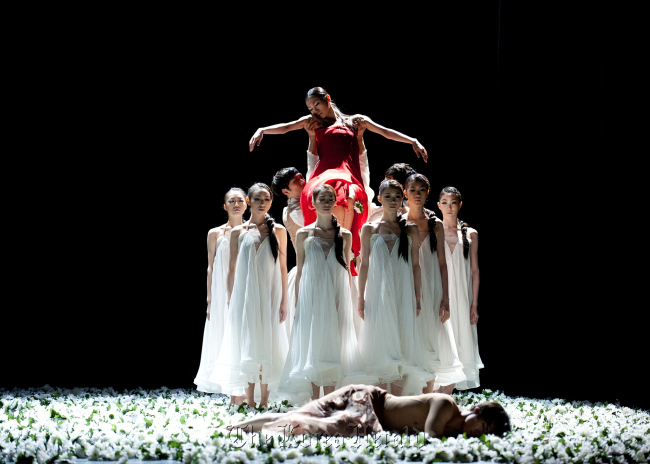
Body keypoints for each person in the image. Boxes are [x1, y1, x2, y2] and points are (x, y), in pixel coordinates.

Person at [248, 87, 428, 274]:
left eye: (316, 104)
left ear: (327, 98)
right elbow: (286, 127)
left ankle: (348, 251)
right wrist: (262, 130)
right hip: (324, 173)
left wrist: (413, 140)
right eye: (310, 108)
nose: (314, 111)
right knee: (323, 197)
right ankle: (326, 251)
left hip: (349, 173)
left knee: (352, 199)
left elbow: (386, 132)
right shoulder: (314, 123)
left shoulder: (355, 121)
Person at [278, 184, 376, 404]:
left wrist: (349, 302)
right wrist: (297, 305)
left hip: (335, 295)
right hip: (312, 298)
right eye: (321, 199)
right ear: (313, 203)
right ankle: (314, 402)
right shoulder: (304, 234)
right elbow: (301, 270)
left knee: (334, 342)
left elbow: (345, 271)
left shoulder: (345, 235)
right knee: (314, 342)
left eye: (330, 199)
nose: (326, 203)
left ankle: (330, 401)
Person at [209, 183, 289, 408]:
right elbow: (231, 269)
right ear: (249, 202)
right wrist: (230, 298)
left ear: (271, 202)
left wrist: (284, 300)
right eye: (257, 199)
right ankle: (250, 400)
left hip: (270, 295)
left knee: (267, 341)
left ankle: (264, 400)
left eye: (266, 199)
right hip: (245, 297)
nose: (262, 203)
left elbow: (283, 267)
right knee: (247, 343)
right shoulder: (239, 232)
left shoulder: (279, 231)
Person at [357, 180, 434, 396]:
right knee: (381, 341)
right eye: (388, 196)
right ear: (380, 199)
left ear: (402, 200)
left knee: (402, 341)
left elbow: (416, 266)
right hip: (379, 293)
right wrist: (360, 298)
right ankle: (382, 400)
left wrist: (417, 298)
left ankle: (398, 401)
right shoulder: (370, 229)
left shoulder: (409, 229)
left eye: (397, 196)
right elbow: (364, 265)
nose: (393, 201)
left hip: (403, 291)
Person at [226, 384, 511, 438]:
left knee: (299, 421)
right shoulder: (446, 405)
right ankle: (233, 429)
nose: (476, 434)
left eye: (483, 434)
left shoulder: (457, 432)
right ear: (474, 410)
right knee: (311, 422)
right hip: (368, 402)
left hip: (372, 415)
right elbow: (432, 434)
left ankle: (239, 429)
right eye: (481, 426)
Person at [403, 175, 466, 394]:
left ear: (428, 193)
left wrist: (445, 297)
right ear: (405, 193)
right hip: (408, 284)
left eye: (421, 190)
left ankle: (432, 395)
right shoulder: (400, 223)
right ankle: (413, 394)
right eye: (412, 190)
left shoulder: (435, 224)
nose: (417, 194)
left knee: (433, 335)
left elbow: (442, 263)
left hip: (432, 285)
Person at [194, 188, 248, 393]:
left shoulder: (251, 231)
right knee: (221, 326)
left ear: (247, 203)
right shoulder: (215, 233)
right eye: (231, 201)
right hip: (219, 288)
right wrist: (209, 298)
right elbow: (210, 266)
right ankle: (222, 379)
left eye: (240, 200)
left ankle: (243, 380)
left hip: (242, 283)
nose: (236, 204)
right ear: (224, 206)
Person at [437, 187, 483, 391]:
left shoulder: (470, 233)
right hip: (441, 294)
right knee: (441, 342)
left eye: (453, 202)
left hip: (462, 297)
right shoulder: (434, 231)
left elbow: (474, 271)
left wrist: (474, 303)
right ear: (438, 205)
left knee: (460, 340)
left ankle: (447, 396)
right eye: (444, 202)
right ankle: (434, 396)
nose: (449, 207)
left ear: (460, 205)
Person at [271, 167, 307, 339]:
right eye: (295, 181)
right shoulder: (296, 211)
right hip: (308, 268)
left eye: (300, 176)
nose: (302, 181)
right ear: (286, 191)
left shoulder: (305, 203)